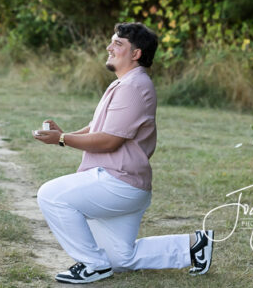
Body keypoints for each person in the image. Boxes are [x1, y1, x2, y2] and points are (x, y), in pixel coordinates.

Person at [32, 22, 213, 284]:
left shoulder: (133, 87)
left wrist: (61, 139)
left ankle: (93, 265)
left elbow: (109, 141)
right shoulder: (126, 83)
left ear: (136, 53)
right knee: (119, 258)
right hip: (125, 184)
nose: (109, 47)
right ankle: (194, 246)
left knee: (51, 195)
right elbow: (98, 127)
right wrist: (64, 135)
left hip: (118, 183)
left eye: (118, 44)